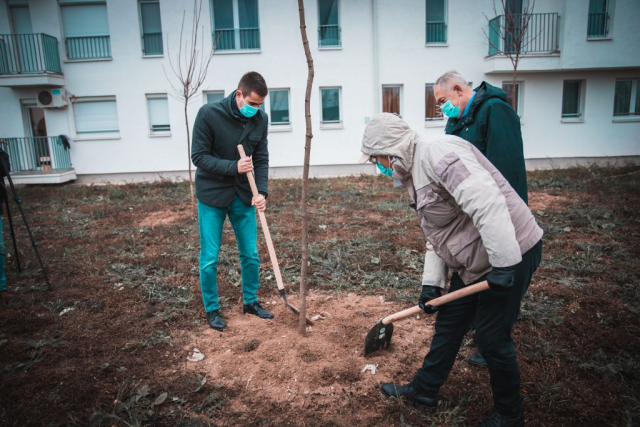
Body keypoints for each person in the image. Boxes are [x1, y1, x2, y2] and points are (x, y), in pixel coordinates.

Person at [359, 113, 543, 427]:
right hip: (476, 258)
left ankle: (510, 414)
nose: (380, 166)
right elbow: (438, 234)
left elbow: (488, 203)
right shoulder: (413, 173)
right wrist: (432, 284)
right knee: (449, 323)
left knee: (491, 336)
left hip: (512, 250)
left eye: (378, 159)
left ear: (391, 151)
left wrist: (503, 264)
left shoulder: (438, 154)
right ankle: (424, 390)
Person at [433, 70, 529, 366]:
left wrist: (501, 218)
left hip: (499, 211)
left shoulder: (495, 111)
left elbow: (506, 168)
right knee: (478, 272)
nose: (441, 108)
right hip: (473, 214)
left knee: (503, 277)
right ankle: (482, 332)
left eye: (442, 100)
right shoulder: (456, 121)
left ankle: (492, 343)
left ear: (459, 90)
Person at [191, 71, 273, 331]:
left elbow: (260, 159)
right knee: (210, 258)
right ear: (239, 95)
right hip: (212, 196)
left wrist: (261, 192)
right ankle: (212, 309)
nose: (256, 109)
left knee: (250, 253)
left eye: (260, 105)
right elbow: (199, 157)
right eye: (252, 104)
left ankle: (250, 302)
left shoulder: (260, 120)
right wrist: (233, 166)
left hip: (243, 195)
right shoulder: (208, 114)